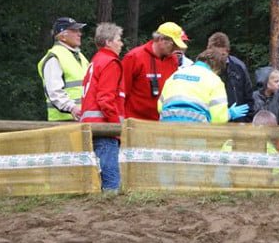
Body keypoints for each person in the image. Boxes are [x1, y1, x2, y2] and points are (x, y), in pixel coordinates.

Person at [80, 23, 125, 190]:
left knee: (99, 180)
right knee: (111, 184)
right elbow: (106, 100)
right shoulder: (110, 62)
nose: (121, 44)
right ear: (108, 42)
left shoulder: (96, 61)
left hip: (92, 126)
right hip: (105, 128)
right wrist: (116, 128)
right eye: (118, 40)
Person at [158, 48, 249, 123]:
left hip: (167, 124)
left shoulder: (176, 74)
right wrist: (230, 113)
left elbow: (160, 106)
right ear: (217, 68)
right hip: (195, 129)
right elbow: (218, 118)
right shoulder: (214, 80)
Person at [122, 22, 187, 120]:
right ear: (160, 40)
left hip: (162, 121)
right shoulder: (134, 57)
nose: (176, 48)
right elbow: (122, 92)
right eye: (173, 44)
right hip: (134, 121)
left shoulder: (173, 60)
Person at [37, 17, 90, 121]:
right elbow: (54, 91)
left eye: (79, 31)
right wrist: (72, 108)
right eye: (74, 31)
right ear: (63, 36)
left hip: (81, 118)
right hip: (64, 121)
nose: (79, 34)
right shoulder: (54, 57)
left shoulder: (80, 56)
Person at [207, 32, 254, 122]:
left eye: (222, 55)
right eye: (215, 54)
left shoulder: (239, 67)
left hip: (238, 122)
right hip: (212, 122)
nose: (219, 58)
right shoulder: (202, 69)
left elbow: (249, 97)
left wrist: (246, 121)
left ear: (227, 51)